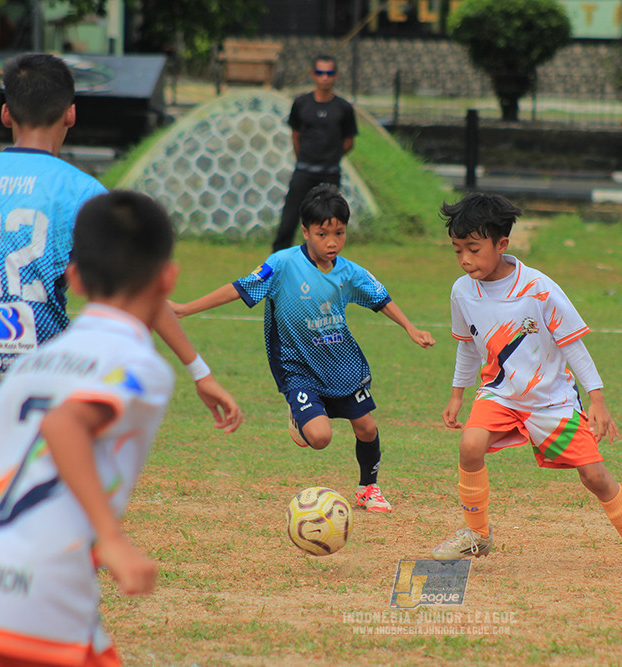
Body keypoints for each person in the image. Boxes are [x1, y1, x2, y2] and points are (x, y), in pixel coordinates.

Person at [0, 53, 242, 550]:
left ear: (5, 112)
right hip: (40, 367)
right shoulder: (83, 195)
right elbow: (134, 287)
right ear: (71, 113)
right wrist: (200, 371)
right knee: (37, 498)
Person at [0, 190, 183, 665]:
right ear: (167, 278)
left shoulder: (29, 368)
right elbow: (65, 423)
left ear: (75, 276)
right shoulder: (139, 363)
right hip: (37, 597)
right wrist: (111, 537)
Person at [432, 193, 622, 576]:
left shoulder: (539, 289)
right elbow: (469, 347)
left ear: (502, 244)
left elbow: (574, 344)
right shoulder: (462, 291)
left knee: (594, 476)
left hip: (550, 401)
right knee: (470, 444)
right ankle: (478, 534)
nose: (465, 260)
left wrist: (597, 399)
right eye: (457, 251)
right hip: (500, 393)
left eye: (473, 249)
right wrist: (457, 394)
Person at [172, 184, 435, 513]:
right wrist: (184, 308)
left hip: (340, 364)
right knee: (321, 438)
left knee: (367, 427)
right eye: (323, 233)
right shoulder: (281, 265)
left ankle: (368, 488)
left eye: (339, 233)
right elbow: (238, 289)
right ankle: (300, 417)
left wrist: (411, 327)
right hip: (298, 367)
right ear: (306, 231)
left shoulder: (348, 271)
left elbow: (381, 297)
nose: (332, 242)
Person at [272, 54, 358, 252]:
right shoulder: (302, 104)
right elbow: (296, 135)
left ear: (335, 76)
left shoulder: (343, 108)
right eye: (320, 73)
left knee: (328, 224)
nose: (324, 77)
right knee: (289, 221)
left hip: (329, 173)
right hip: (303, 170)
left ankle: (325, 263)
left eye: (329, 73)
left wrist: (331, 157)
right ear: (313, 75)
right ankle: (274, 269)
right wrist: (304, 158)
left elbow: (349, 141)